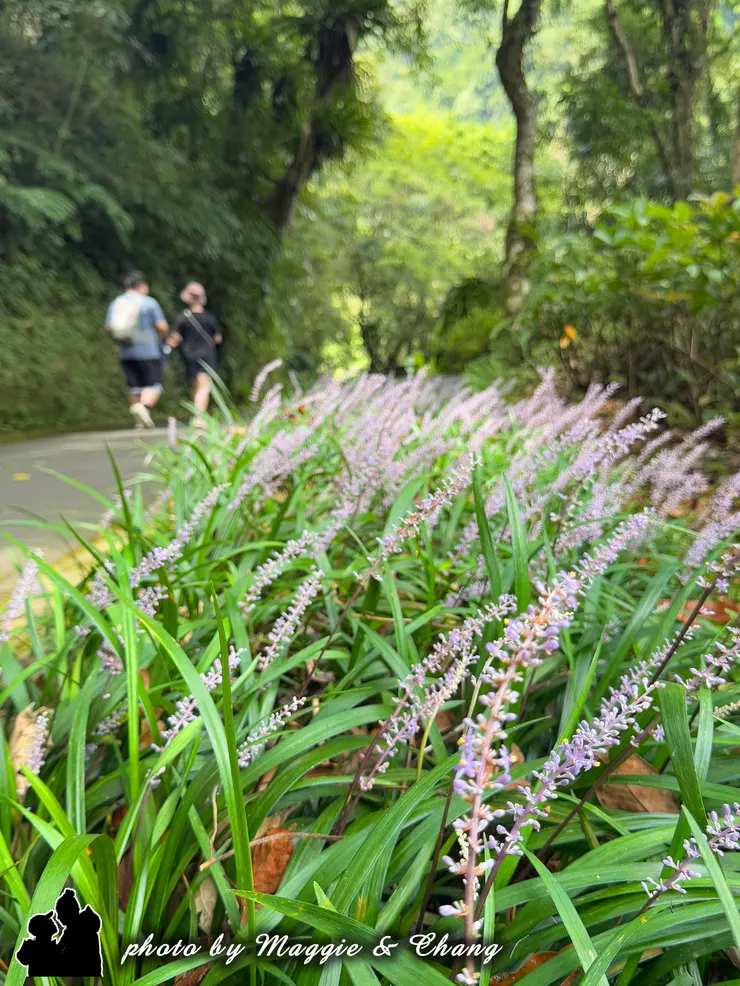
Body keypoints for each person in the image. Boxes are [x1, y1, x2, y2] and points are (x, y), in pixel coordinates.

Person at [106, 271, 169, 429]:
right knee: (154, 384)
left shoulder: (117, 303)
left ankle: (139, 421)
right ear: (141, 286)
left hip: (126, 351)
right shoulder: (149, 303)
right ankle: (143, 407)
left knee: (134, 385)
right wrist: (160, 337)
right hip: (148, 350)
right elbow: (161, 326)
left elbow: (109, 327)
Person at [168, 281, 223, 425]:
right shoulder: (210, 318)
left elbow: (174, 338)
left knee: (194, 386)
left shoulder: (183, 318)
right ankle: (199, 418)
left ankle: (196, 415)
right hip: (206, 354)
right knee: (204, 386)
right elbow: (218, 338)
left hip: (189, 355)